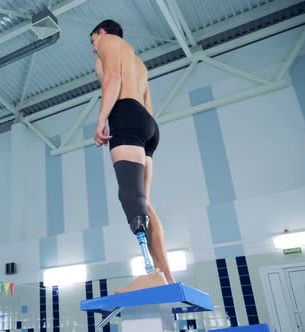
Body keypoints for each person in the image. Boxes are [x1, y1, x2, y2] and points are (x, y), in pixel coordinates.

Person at [89, 19, 175, 291]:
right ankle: (167, 280)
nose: (94, 49)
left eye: (92, 41)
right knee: (144, 202)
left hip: (125, 116)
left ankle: (151, 274)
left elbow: (113, 78)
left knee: (130, 197)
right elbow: (147, 107)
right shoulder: (140, 64)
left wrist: (102, 119)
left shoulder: (109, 42)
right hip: (148, 126)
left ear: (101, 32)